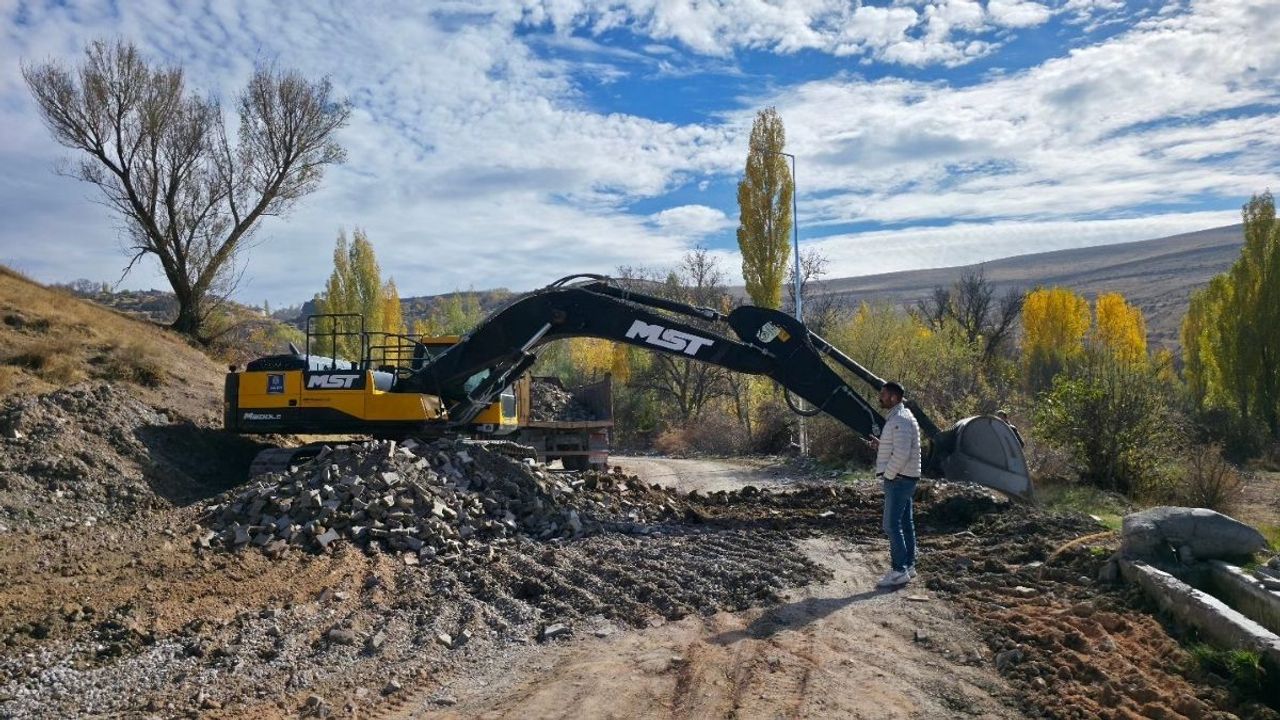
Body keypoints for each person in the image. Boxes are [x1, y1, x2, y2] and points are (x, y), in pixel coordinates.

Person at [869, 381, 921, 588]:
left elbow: (902, 453)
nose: (880, 397)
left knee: (891, 525)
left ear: (893, 397)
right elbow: (898, 447)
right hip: (905, 477)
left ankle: (899, 570)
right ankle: (908, 566)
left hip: (899, 479)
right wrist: (881, 446)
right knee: (906, 524)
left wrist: (889, 475)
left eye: (883, 394)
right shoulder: (901, 418)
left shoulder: (899, 419)